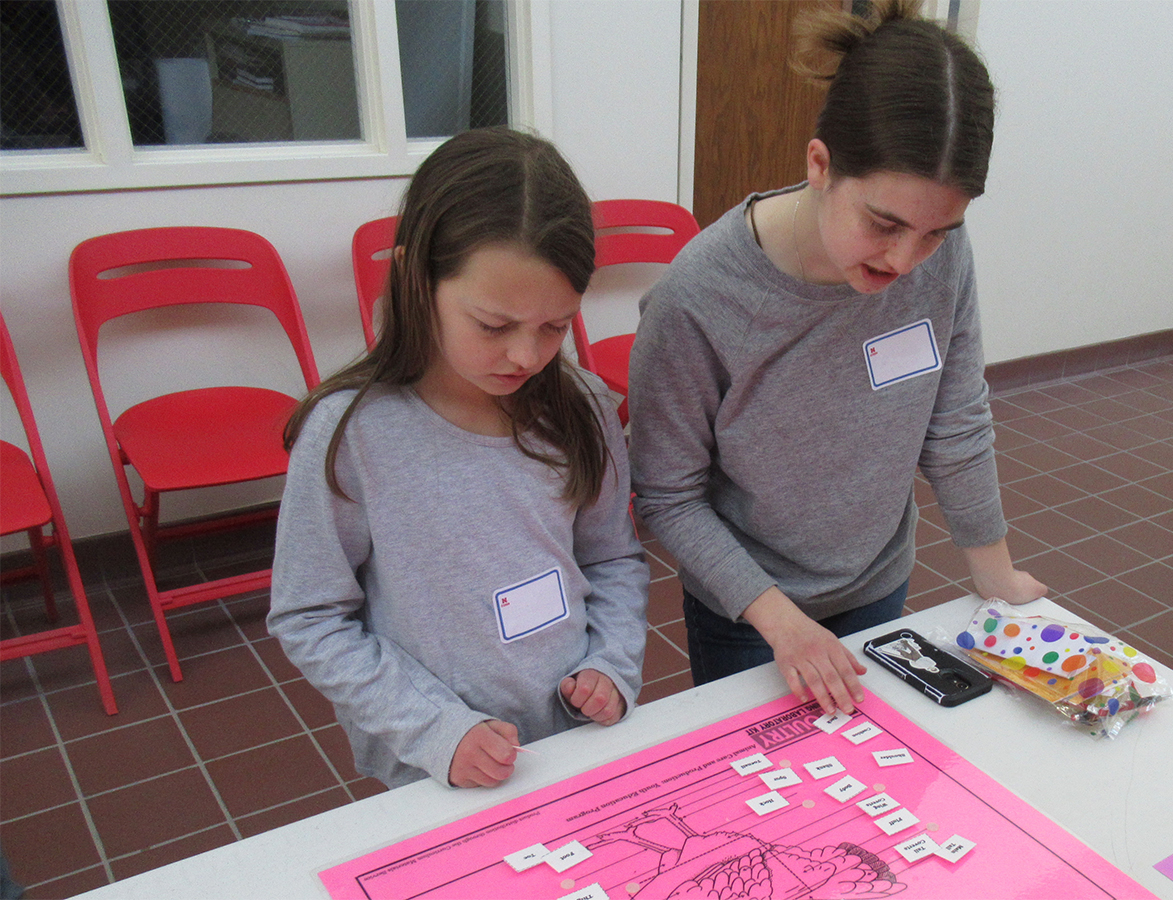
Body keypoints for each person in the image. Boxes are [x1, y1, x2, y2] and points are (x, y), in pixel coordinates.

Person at [628, 0, 1045, 718]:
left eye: (937, 233)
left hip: (878, 580)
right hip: (751, 616)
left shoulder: (939, 258)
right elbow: (668, 497)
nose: (906, 259)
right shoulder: (699, 298)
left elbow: (956, 420)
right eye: (884, 225)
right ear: (819, 163)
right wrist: (781, 622)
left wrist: (994, 571)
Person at [268, 127, 648, 790]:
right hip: (438, 768)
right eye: (494, 325)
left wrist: (612, 663)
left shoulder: (581, 406)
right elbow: (309, 615)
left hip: (572, 744)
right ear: (418, 278)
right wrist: (435, 729)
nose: (527, 357)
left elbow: (612, 557)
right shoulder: (351, 432)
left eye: (555, 325)